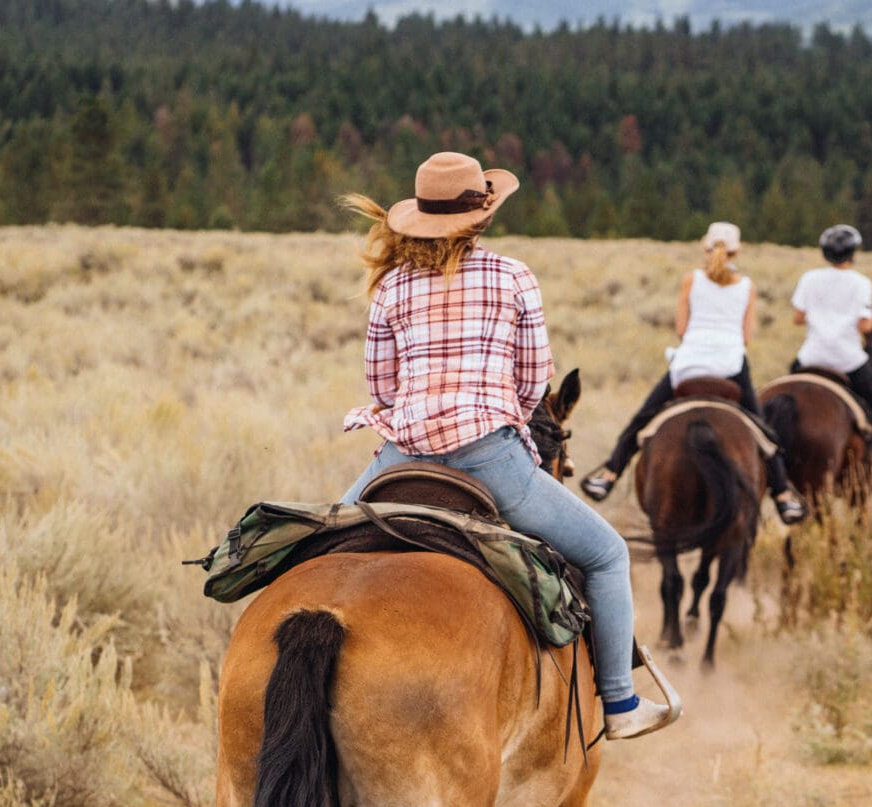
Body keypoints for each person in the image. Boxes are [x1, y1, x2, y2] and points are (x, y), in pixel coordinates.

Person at [338, 151, 675, 740]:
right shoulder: (513, 276)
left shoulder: (390, 286)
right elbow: (532, 381)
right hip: (488, 460)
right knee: (605, 555)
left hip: (401, 456)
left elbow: (382, 388)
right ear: (481, 218)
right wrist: (494, 417)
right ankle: (619, 703)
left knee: (324, 542)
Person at [577, 222, 808, 525]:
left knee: (643, 418)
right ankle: (782, 495)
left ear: (706, 247)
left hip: (689, 361)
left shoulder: (691, 279)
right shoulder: (747, 286)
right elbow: (746, 337)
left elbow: (682, 329)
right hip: (731, 364)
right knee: (762, 431)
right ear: (737, 250)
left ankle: (609, 474)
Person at [790, 224, 872, 491]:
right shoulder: (861, 283)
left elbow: (798, 318)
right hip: (847, 359)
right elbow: (863, 327)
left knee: (786, 396)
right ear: (852, 253)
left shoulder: (809, 278)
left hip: (811, 356)